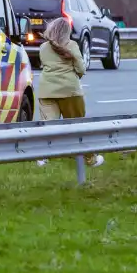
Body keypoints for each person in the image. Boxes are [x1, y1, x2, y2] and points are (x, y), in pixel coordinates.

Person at [35, 17, 104, 168]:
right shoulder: (71, 45)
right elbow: (81, 68)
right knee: (77, 127)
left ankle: (42, 158)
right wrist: (74, 76)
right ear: (67, 32)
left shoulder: (43, 47)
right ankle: (90, 159)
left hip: (46, 91)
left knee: (49, 127)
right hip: (70, 91)